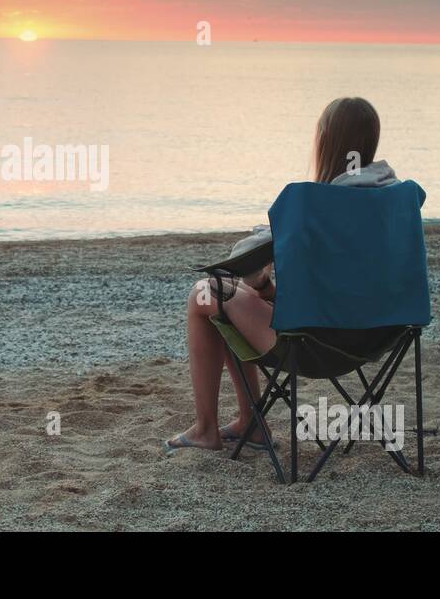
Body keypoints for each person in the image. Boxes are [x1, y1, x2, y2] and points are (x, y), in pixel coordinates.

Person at [167, 96, 399, 451]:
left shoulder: (312, 204)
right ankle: (250, 423)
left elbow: (243, 258)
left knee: (207, 293)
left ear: (324, 140)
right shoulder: (397, 200)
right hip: (380, 337)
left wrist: (261, 283)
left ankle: (207, 429)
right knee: (226, 297)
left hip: (313, 345)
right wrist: (271, 291)